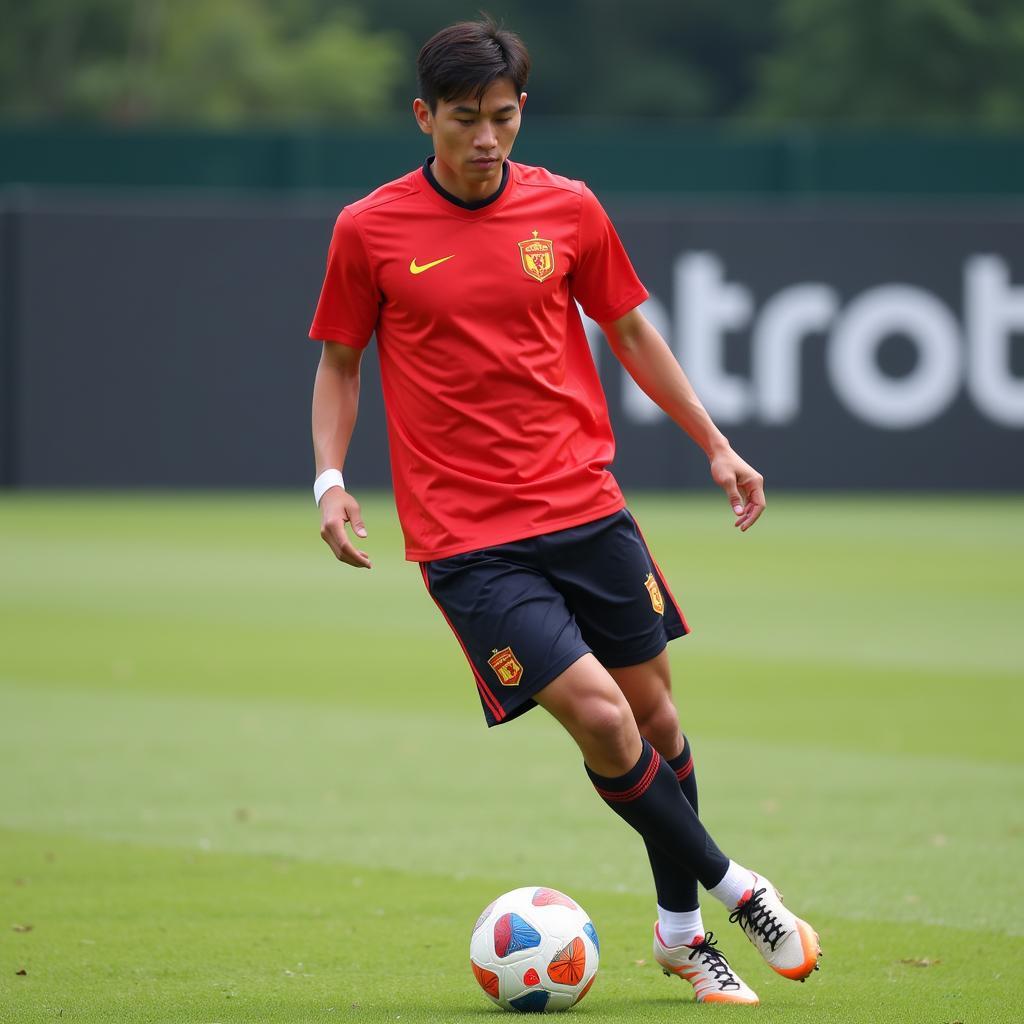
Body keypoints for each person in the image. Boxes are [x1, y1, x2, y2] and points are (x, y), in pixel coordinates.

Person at [308, 18, 820, 1008]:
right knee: (596, 712)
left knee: (655, 715)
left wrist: (715, 441)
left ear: (520, 111)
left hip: (587, 509)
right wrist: (328, 479)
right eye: (464, 120)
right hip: (469, 541)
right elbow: (339, 362)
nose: (486, 139)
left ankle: (681, 934)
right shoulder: (367, 230)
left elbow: (628, 326)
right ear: (425, 116)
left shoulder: (569, 210)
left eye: (502, 118)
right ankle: (737, 887)